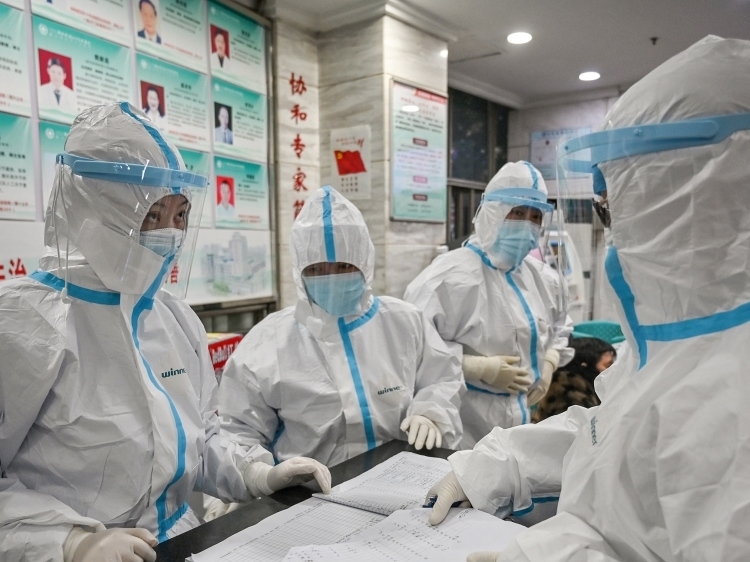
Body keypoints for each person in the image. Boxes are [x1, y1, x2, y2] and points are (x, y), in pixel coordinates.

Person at [426, 36, 750, 561]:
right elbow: (610, 437)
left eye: (621, 205)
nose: (615, 232)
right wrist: (488, 464)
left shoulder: (730, 381)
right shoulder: (684, 344)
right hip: (469, 426)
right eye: (608, 210)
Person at [0, 102, 330, 562]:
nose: (170, 234)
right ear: (93, 209)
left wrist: (257, 473)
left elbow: (202, 438)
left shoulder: (172, 317)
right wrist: (69, 541)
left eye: (180, 216)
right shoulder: (23, 322)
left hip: (179, 542)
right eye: (152, 215)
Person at [206, 186, 464, 519]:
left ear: (364, 262)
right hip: (308, 500)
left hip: (404, 487)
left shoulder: (404, 321)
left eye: (343, 266)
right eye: (317, 269)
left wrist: (430, 412)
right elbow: (238, 428)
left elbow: (441, 378)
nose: (331, 279)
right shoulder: (268, 341)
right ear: (300, 271)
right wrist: (253, 476)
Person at [404, 161, 574, 449]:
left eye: (535, 216)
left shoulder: (543, 278)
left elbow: (560, 325)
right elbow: (413, 347)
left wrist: (549, 361)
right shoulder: (446, 278)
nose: (527, 224)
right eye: (517, 212)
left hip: (521, 419)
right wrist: (475, 367)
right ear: (493, 212)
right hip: (465, 423)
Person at [531, 337, 615, 422]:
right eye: (607, 366)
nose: (612, 370)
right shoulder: (567, 387)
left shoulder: (575, 384)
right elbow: (581, 427)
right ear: (585, 364)